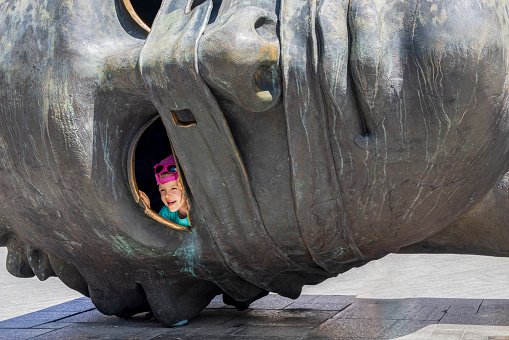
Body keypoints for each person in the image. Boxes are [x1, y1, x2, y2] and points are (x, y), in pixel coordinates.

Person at [139, 155, 190, 227]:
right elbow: (156, 232)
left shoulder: (202, 211)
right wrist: (148, 210)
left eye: (173, 188)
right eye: (162, 190)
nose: (167, 195)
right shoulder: (166, 212)